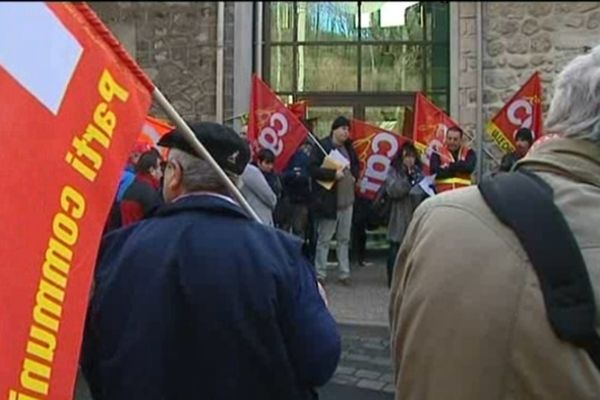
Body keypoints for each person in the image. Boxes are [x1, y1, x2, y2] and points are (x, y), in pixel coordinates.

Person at [389, 46, 600, 400]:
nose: (454, 141)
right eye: (451, 137)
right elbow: (438, 171)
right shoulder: (435, 198)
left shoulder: (433, 220)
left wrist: (451, 166)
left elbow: (464, 167)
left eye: (457, 137)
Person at [82, 122, 341, 400]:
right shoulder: (281, 255)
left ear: (174, 175)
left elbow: (93, 357)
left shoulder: (118, 250)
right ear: (236, 183)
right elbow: (319, 361)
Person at [309, 116, 359, 286]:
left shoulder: (349, 148)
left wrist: (354, 176)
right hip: (329, 201)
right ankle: (320, 273)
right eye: (343, 129)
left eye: (347, 129)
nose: (346, 132)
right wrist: (332, 175)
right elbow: (313, 169)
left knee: (344, 239)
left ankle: (344, 273)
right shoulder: (322, 147)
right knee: (324, 239)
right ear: (334, 129)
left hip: (347, 201)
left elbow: (357, 166)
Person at [383, 142, 424, 287]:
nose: (410, 160)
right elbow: (393, 190)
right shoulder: (393, 171)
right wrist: (407, 181)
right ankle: (392, 279)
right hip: (398, 214)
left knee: (412, 248)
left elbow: (422, 190)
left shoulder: (419, 172)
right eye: (406, 157)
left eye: (412, 157)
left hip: (414, 212)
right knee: (395, 246)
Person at [119, 149, 164, 227]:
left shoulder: (131, 187)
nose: (162, 172)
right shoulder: (150, 193)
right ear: (152, 170)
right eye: (160, 168)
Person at [429, 126, 476, 193]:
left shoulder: (469, 152)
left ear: (461, 140)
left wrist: (449, 167)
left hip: (463, 194)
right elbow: (435, 171)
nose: (452, 142)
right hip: (443, 194)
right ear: (446, 138)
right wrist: (460, 166)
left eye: (455, 139)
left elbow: (469, 168)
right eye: (449, 138)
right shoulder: (437, 153)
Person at [240, 151, 278, 226]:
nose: (270, 166)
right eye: (267, 163)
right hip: (258, 216)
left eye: (271, 164)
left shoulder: (273, 177)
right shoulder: (252, 172)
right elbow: (269, 197)